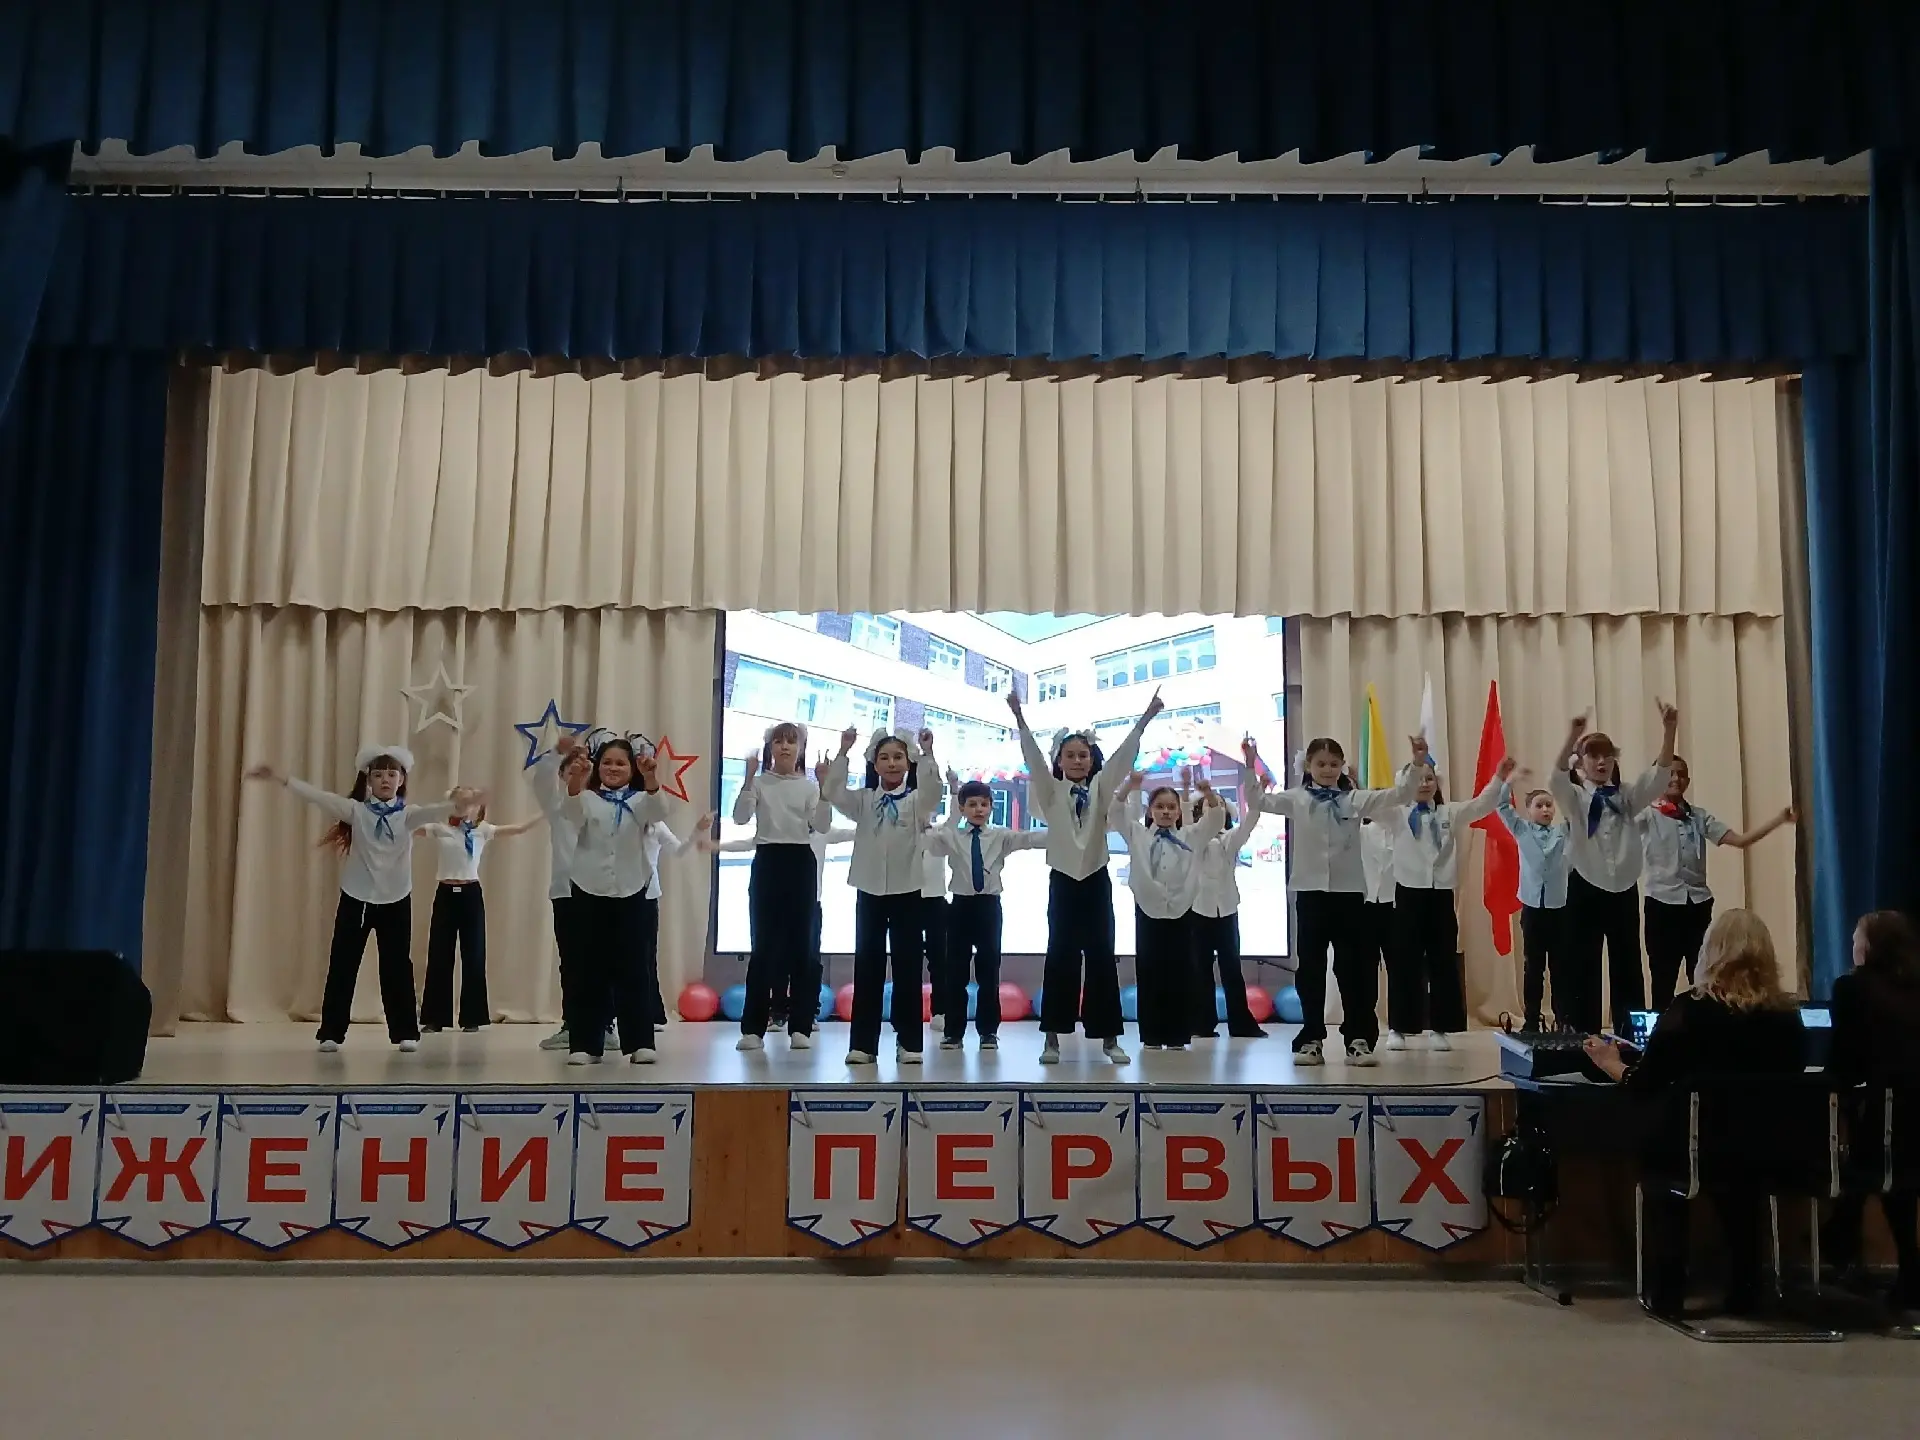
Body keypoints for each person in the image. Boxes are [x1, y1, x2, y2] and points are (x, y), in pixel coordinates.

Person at [1583, 909, 1805, 1318]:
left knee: (1663, 1165)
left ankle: (1668, 1291)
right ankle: (1746, 1290)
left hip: (1696, 1151)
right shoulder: (1788, 1018)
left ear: (1710, 952)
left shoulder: (1691, 1010)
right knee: (1741, 1178)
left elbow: (1643, 1082)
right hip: (1768, 1152)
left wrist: (1609, 1062)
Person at [243, 747, 469, 1053]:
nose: (385, 780)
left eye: (392, 774)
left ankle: (405, 1032)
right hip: (356, 897)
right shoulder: (355, 811)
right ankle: (331, 1033)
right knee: (343, 964)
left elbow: (437, 810)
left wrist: (462, 803)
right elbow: (318, 797)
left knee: (397, 967)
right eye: (378, 775)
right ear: (368, 780)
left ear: (401, 780)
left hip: (395, 898)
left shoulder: (408, 815)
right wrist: (281, 778)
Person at [1247, 734, 1425, 1068]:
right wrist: (1249, 764)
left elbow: (1399, 795)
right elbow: (1258, 801)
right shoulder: (1297, 799)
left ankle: (1357, 1040)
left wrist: (1417, 763)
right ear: (1308, 765)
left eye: (1333, 764)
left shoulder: (1353, 799)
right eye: (1321, 764)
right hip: (1311, 894)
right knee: (1311, 969)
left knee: (1353, 970)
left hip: (1349, 895)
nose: (1327, 770)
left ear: (1342, 765)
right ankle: (1312, 1038)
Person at [1007, 688, 1163, 1067]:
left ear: (1092, 760)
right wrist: (1019, 718)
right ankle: (1052, 1038)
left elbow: (1123, 757)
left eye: (1084, 755)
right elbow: (1032, 758)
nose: (1077, 761)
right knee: (1059, 957)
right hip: (1063, 882)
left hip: (1095, 881)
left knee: (1101, 958)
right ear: (1059, 760)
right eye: (1070, 755)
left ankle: (1109, 1038)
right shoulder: (1050, 791)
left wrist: (1146, 717)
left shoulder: (1100, 788)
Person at [1549, 704, 1678, 1035]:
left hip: (1623, 885)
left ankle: (1629, 1034)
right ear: (1582, 762)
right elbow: (1557, 778)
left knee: (1628, 962)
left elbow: (1659, 775)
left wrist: (1669, 730)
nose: (1601, 762)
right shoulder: (1576, 797)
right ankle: (1585, 1034)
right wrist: (1572, 736)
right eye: (1593, 756)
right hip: (1585, 884)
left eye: (1607, 755)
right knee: (1584, 962)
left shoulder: (1628, 796)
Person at [823, 726, 942, 1066]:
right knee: (868, 966)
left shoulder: (917, 802)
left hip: (908, 890)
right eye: (885, 758)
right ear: (874, 764)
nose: (891, 764)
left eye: (898, 757)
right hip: (869, 889)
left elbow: (934, 791)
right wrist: (843, 751)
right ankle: (863, 1045)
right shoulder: (863, 801)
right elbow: (832, 791)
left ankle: (909, 1043)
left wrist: (928, 753)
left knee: (908, 967)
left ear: (908, 762)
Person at [1637, 756, 1796, 1012]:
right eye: (1669, 774)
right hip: (1661, 903)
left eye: (1681, 774)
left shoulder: (1698, 816)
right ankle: (1662, 1027)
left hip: (1697, 904)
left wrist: (1779, 820)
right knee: (1662, 975)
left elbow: (1741, 841)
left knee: (1702, 974)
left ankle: (1702, 1024)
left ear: (1688, 780)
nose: (1676, 779)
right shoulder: (1646, 814)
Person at [1822, 910, 1920, 1311]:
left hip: (1886, 1120)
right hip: (1907, 1121)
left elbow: (1843, 1062)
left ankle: (1841, 1239)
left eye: (1856, 939)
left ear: (1868, 948)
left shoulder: (1853, 989)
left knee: (1865, 1152)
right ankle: (1847, 1241)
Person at [1375, 754, 1506, 1052]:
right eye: (1418, 778)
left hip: (1441, 895)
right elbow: (1372, 806)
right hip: (1408, 894)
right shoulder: (1397, 814)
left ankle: (1440, 1027)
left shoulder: (1450, 812)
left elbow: (1481, 804)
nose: (1424, 783)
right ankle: (1399, 1027)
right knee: (1404, 963)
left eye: (1429, 778)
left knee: (1443, 961)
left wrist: (1498, 777)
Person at [555, 731, 669, 1066]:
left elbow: (659, 810)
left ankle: (640, 1043)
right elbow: (571, 814)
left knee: (635, 969)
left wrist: (651, 777)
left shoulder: (640, 799)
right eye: (607, 762)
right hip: (588, 888)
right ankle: (585, 1044)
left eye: (621, 763)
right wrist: (576, 780)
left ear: (632, 768)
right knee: (587, 969)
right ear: (598, 766)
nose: (613, 768)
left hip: (633, 889)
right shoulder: (588, 798)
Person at [919, 779, 1046, 1050]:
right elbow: (930, 842)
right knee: (956, 972)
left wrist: (1064, 832)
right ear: (962, 808)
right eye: (972, 805)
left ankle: (988, 1031)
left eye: (984, 804)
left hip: (988, 907)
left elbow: (1030, 839)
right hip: (960, 907)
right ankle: (953, 1032)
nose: (979, 809)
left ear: (991, 807)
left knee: (989, 971)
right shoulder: (952, 836)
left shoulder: (1000, 836)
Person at [730, 722, 832, 1052]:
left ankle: (800, 1026)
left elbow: (822, 824)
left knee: (803, 947)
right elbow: (740, 817)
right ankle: (753, 1029)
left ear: (800, 748)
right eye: (779, 741)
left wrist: (825, 786)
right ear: (770, 747)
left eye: (791, 741)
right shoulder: (761, 782)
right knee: (763, 947)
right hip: (768, 860)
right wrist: (748, 777)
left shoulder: (809, 786)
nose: (785, 746)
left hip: (800, 861)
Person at [1112, 770, 1227, 1051]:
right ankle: (1152, 1035)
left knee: (1180, 972)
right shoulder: (1139, 834)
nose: (1165, 812)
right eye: (1160, 806)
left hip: (1181, 910)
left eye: (1171, 807)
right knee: (1149, 972)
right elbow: (1116, 812)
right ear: (1150, 810)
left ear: (1179, 811)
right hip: (1148, 908)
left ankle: (1177, 1034)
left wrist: (1207, 793)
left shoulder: (1191, 835)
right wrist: (1130, 786)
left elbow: (1215, 819)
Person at [416, 797, 544, 1033]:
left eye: (469, 802)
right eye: (458, 801)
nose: (463, 806)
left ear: (478, 808)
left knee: (474, 955)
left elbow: (519, 829)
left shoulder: (482, 830)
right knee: (439, 955)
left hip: (470, 895)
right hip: (445, 894)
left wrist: (546, 810)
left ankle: (472, 1017)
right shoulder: (440, 829)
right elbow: (408, 827)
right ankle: (435, 1018)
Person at [1189, 761, 1272, 1040]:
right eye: (1207, 805)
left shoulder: (1229, 839)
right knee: (1199, 970)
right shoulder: (1193, 837)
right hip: (1197, 909)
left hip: (1226, 910)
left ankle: (1241, 1024)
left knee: (1232, 970)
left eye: (1219, 805)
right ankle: (1201, 1023)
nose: (1214, 807)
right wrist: (1195, 791)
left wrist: (1260, 793)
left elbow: (1249, 823)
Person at [529, 743, 593, 1050]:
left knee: (602, 962)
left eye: (584, 767)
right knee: (571, 963)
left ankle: (605, 1026)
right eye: (571, 769)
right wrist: (556, 751)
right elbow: (540, 778)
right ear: (563, 775)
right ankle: (573, 1025)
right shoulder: (556, 806)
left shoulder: (601, 805)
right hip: (566, 893)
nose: (578, 772)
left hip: (602, 893)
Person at [1495, 775, 1571, 1032]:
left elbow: (1581, 816)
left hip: (1558, 908)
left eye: (1549, 805)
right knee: (1534, 967)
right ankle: (1531, 1020)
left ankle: (1562, 1020)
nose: (1545, 809)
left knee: (1560, 968)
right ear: (1528, 810)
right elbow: (1501, 806)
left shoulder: (1563, 831)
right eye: (1539, 805)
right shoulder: (1522, 829)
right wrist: (1509, 782)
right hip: (1532, 909)